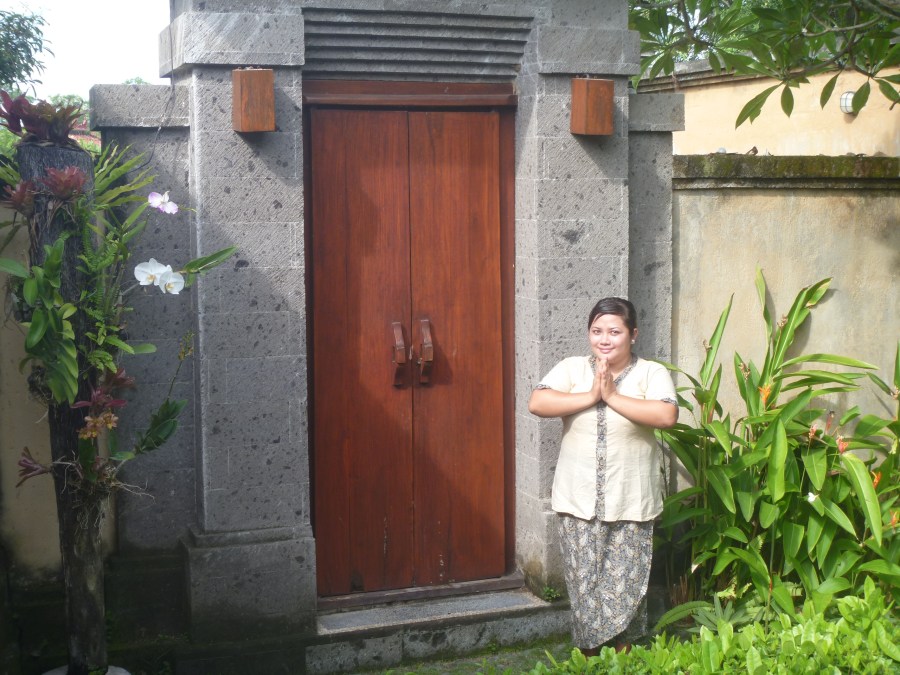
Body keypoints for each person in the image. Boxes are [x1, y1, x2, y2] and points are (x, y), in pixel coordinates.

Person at [528, 297, 678, 655]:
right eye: (597, 331)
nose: (604, 339)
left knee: (625, 580)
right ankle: (591, 651)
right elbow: (538, 402)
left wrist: (611, 396)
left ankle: (625, 649)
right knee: (585, 583)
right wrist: (591, 394)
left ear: (633, 334)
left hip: (630, 498)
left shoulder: (650, 373)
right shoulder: (572, 368)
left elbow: (666, 415)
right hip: (578, 498)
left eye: (614, 331)